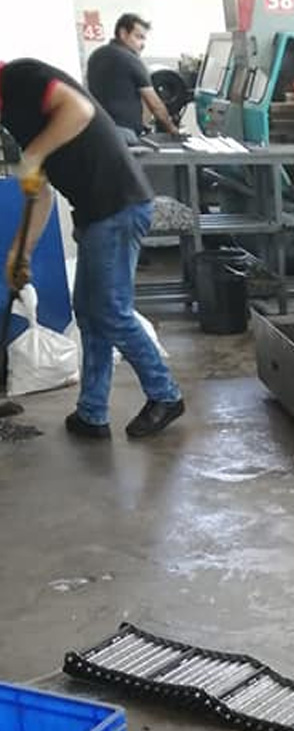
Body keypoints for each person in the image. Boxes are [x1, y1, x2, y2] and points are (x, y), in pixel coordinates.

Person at [1, 57, 185, 439]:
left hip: (117, 204)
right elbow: (40, 192)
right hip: (95, 212)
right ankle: (92, 412)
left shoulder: (21, 77)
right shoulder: (12, 114)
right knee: (89, 311)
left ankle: (165, 394)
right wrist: (21, 252)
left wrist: (34, 154)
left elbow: (79, 110)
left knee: (109, 311)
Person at [86, 13, 178, 144]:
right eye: (139, 37)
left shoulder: (96, 56)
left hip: (96, 131)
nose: (143, 44)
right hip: (123, 135)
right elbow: (155, 105)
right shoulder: (130, 59)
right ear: (123, 33)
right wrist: (173, 130)